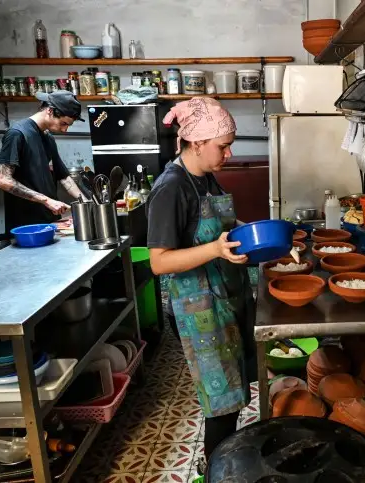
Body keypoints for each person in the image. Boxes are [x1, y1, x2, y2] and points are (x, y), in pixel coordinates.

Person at [147, 97, 255, 475]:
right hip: (198, 311)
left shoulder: (203, 175)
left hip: (223, 297)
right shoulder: (170, 187)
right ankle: (216, 470)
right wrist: (216, 249)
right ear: (196, 143)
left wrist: (251, 233)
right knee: (222, 400)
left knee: (234, 391)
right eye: (222, 146)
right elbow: (159, 261)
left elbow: (221, 222)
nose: (228, 152)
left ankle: (225, 462)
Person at [0, 90, 86, 232]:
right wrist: (46, 200)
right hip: (26, 226)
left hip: (49, 222)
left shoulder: (47, 137)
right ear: (50, 111)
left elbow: (63, 177)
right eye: (63, 123)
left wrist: (86, 203)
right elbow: (3, 180)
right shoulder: (17, 134)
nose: (65, 130)